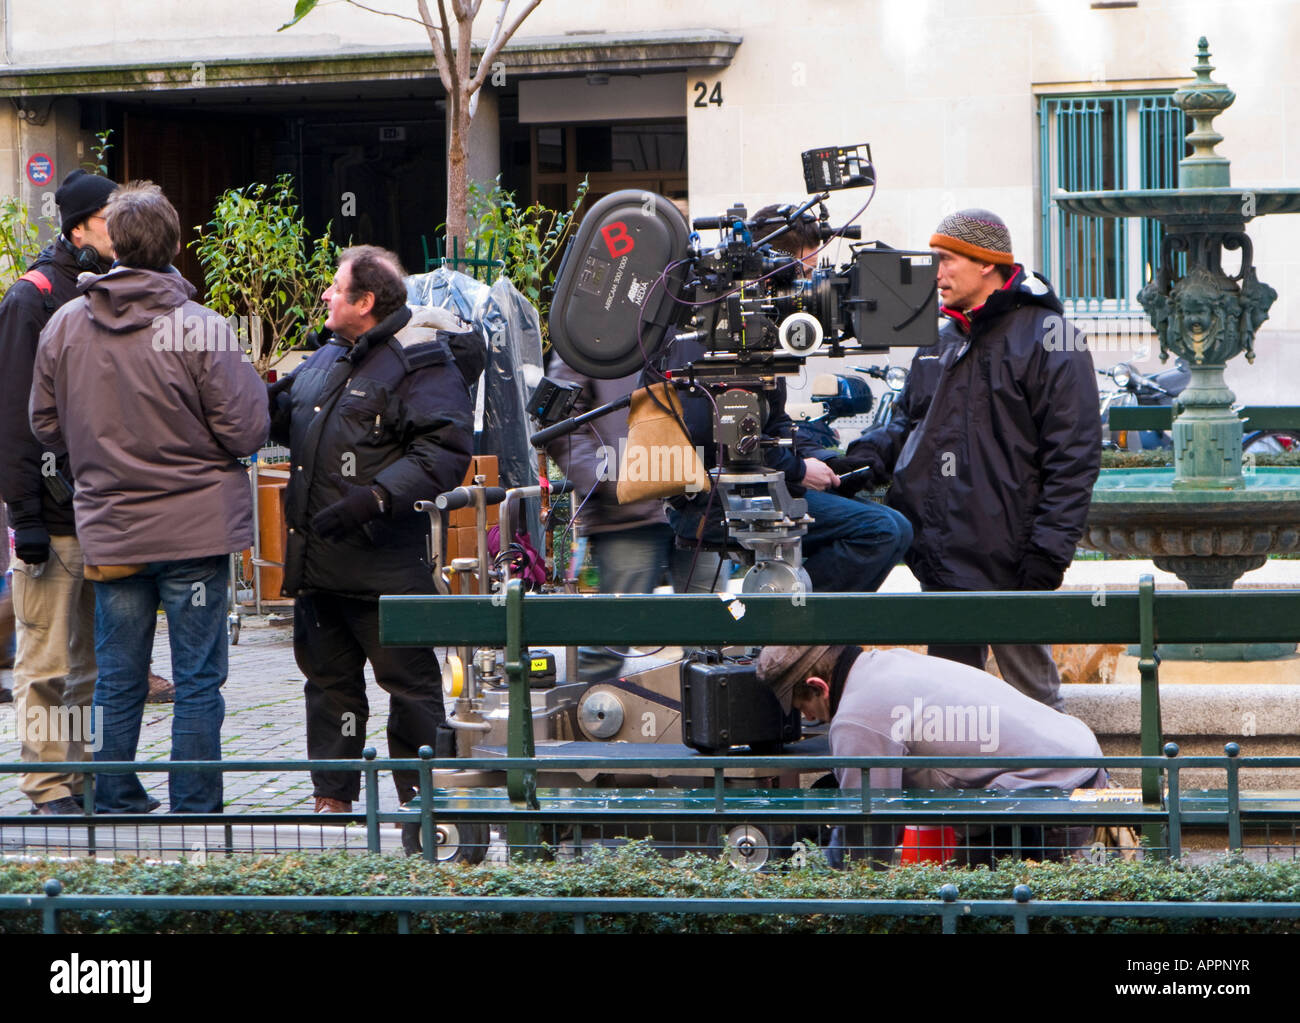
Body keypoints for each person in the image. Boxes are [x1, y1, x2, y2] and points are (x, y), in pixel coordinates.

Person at [30, 180, 268, 814]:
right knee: (196, 679)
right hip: (195, 527)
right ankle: (195, 803)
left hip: (112, 527)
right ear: (176, 243)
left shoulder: (65, 326)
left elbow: (45, 426)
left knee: (116, 674)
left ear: (113, 245)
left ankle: (112, 795)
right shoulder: (202, 327)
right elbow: (247, 429)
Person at [843, 209, 1101, 709]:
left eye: (945, 260)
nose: (935, 274)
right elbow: (906, 423)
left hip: (1014, 565)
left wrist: (1047, 554)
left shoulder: (1054, 336)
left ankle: (1065, 781)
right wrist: (859, 463)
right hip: (940, 561)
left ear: (986, 264)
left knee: (1036, 705)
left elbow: (1074, 456)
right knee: (948, 711)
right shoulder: (939, 338)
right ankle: (963, 791)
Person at [269, 245, 477, 817]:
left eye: (335, 288)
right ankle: (333, 795)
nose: (326, 296)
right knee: (329, 684)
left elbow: (445, 448)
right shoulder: (327, 356)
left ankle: (422, 796)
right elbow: (291, 420)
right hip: (317, 562)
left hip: (384, 565)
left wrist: (376, 498)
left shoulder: (421, 361)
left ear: (364, 301)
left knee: (408, 686)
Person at [757, 643, 1107, 866]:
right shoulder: (884, 663)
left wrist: (824, 884)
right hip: (1078, 759)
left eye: (802, 705)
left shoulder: (856, 719)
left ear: (819, 687)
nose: (806, 717)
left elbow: (867, 839)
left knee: (971, 909)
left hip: (1050, 794)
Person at [0, 169, 116, 814]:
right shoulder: (32, 297)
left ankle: (77, 779)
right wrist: (26, 516)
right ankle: (46, 788)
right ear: (78, 226)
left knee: (84, 670)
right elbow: (14, 417)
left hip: (98, 511)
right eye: (109, 217)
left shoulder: (105, 289)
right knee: (44, 664)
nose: (119, 228)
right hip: (51, 513)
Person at [545, 359, 727, 682]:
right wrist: (608, 480)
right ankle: (584, 722)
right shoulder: (591, 323)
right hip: (626, 517)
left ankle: (707, 725)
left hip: (698, 505)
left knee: (712, 636)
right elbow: (555, 418)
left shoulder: (688, 315)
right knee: (609, 646)